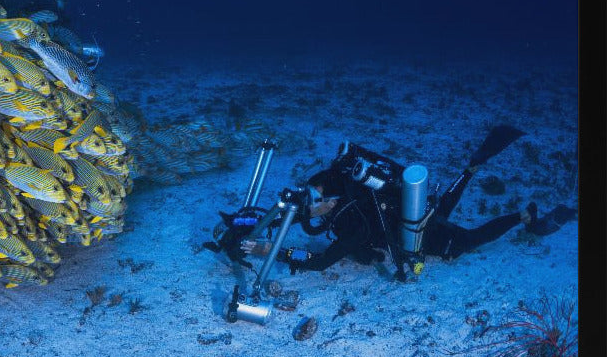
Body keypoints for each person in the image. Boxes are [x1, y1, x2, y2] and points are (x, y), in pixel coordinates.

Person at [241, 125, 577, 280]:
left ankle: (523, 216)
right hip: (410, 210)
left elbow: (317, 262)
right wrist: (263, 222)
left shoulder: (354, 224)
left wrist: (269, 251)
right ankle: (470, 169)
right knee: (439, 208)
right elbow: (300, 212)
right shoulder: (347, 189)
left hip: (420, 233)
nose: (308, 204)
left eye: (314, 198)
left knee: (468, 240)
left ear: (330, 200)